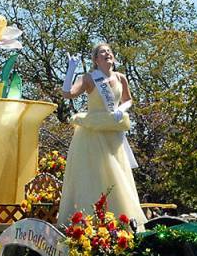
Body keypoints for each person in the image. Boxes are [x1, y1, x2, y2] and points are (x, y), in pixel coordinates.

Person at [57, 43, 147, 229]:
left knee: (117, 177)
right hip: (93, 134)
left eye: (109, 51)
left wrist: (122, 109)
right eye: (102, 52)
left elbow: (128, 99)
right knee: (97, 176)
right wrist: (70, 70)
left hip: (113, 133)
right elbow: (68, 94)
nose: (107, 53)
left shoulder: (121, 77)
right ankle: (91, 225)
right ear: (96, 60)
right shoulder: (89, 78)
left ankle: (121, 224)